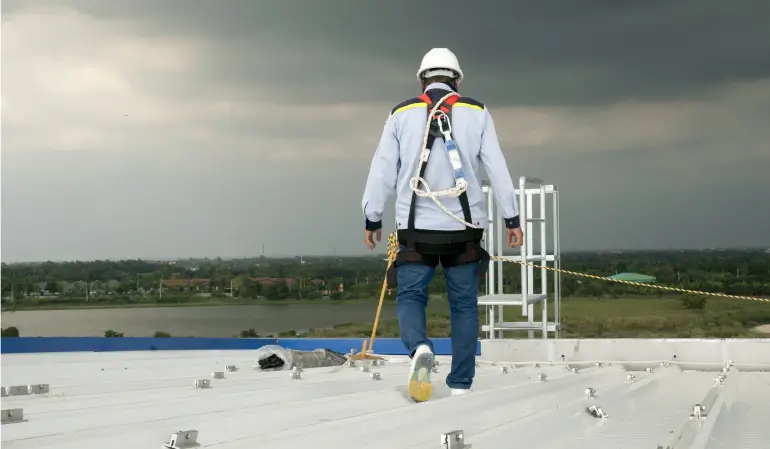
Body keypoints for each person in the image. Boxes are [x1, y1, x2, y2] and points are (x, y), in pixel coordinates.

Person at [361, 47, 523, 402]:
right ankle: (461, 384)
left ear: (421, 80)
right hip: (463, 229)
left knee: (411, 295)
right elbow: (497, 168)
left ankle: (419, 346)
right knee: (463, 305)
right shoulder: (476, 111)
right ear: (457, 80)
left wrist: (372, 217)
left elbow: (382, 171)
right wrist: (512, 217)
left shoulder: (401, 113)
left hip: (416, 231)